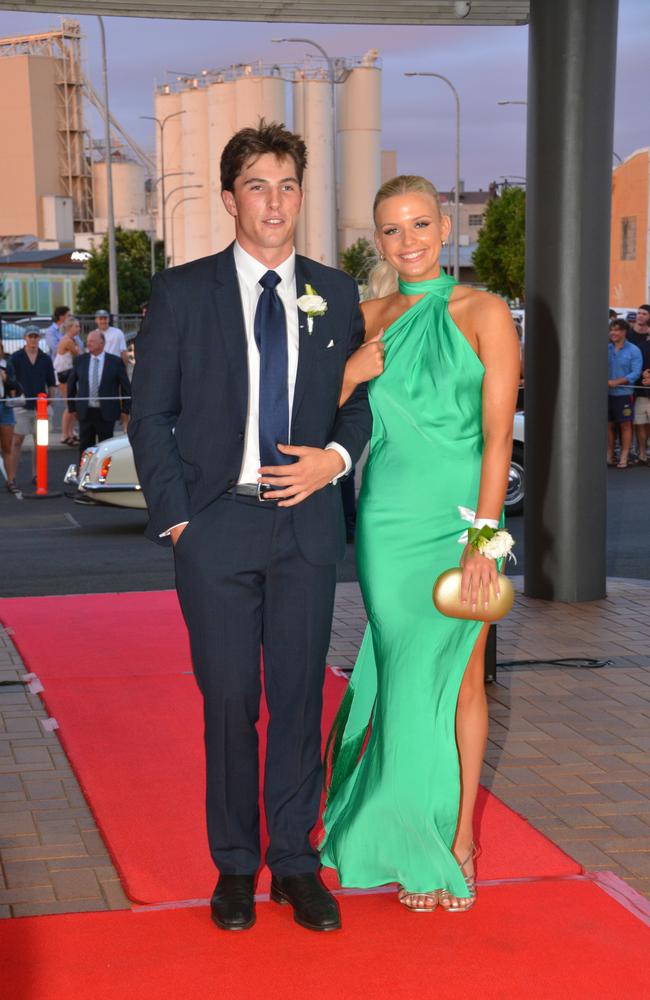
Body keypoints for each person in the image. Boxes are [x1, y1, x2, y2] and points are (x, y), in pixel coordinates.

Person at [128, 120, 371, 935]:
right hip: (217, 528)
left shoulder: (335, 293)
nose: (275, 201)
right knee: (230, 701)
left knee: (301, 700)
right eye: (259, 185)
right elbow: (150, 414)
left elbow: (356, 402)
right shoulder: (184, 292)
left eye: (288, 185)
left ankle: (296, 865)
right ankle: (236, 866)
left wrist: (332, 461)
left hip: (304, 528)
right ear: (231, 199)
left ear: (302, 197)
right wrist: (178, 523)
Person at [319, 175, 520, 914]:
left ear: (444, 228)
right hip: (388, 524)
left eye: (419, 226)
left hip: (463, 521)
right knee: (407, 674)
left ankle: (456, 837)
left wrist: (482, 540)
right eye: (392, 230)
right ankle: (415, 839)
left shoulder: (486, 312)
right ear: (379, 239)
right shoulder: (368, 315)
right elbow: (311, 407)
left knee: (464, 681)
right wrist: (349, 371)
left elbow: (499, 436)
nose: (408, 242)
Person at [67, 330, 131, 458]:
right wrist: (72, 407)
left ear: (101, 343)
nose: (88, 343)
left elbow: (125, 388)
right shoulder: (80, 360)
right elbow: (71, 384)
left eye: (92, 341)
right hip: (86, 411)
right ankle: (84, 475)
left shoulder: (115, 362)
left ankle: (104, 476)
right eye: (88, 341)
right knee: (85, 447)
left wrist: (125, 410)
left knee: (106, 448)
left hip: (106, 412)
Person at [10, 328, 56, 484]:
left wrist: (51, 399)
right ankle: (12, 476)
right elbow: (10, 381)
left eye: (36, 336)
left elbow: (51, 382)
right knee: (16, 441)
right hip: (21, 406)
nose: (33, 339)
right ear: (25, 338)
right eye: (31, 336)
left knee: (40, 442)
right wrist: (13, 398)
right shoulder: (16, 357)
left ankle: (37, 474)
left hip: (41, 407)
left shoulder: (45, 358)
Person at [608, 318, 642, 469]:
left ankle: (624, 456)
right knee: (608, 425)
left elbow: (635, 373)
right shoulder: (606, 348)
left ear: (624, 332)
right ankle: (609, 455)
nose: (613, 333)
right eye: (612, 330)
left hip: (624, 394)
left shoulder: (633, 350)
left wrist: (616, 382)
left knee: (625, 426)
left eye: (616, 330)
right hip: (606, 394)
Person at [54, 315, 82, 446]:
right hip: (64, 375)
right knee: (69, 405)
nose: (79, 328)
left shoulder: (71, 339)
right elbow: (78, 354)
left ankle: (71, 433)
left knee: (72, 405)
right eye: (76, 326)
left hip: (68, 374)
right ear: (70, 328)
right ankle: (65, 435)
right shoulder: (68, 341)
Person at [628, 305, 650, 463]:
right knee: (639, 422)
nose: (640, 316)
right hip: (639, 389)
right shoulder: (638, 346)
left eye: (644, 314)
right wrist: (643, 375)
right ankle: (640, 452)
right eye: (639, 313)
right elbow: (635, 366)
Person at [0, 352, 21, 493]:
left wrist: (5, 377)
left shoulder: (6, 365)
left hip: (5, 406)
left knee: (7, 446)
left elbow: (15, 385)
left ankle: (11, 480)